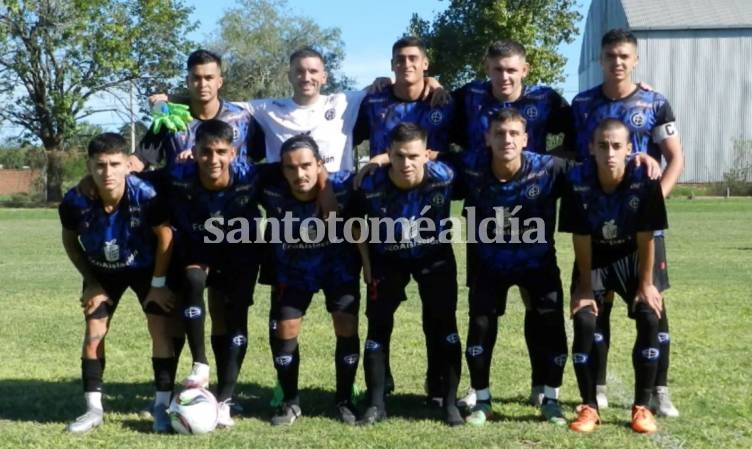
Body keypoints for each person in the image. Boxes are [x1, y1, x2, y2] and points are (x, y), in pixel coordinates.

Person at [452, 39, 575, 409]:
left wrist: (548, 160)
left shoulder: (545, 99)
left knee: (539, 308)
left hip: (532, 204)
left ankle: (542, 382)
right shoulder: (468, 96)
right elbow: (432, 114)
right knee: (484, 311)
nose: (504, 76)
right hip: (485, 211)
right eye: (496, 69)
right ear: (486, 69)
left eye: (511, 69)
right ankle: (478, 388)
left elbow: (580, 130)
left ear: (525, 69)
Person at [571, 28, 683, 417]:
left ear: (635, 59)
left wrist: (651, 206)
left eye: (624, 56)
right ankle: (597, 388)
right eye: (610, 56)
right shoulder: (582, 104)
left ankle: (658, 390)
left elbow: (675, 158)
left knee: (652, 304)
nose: (617, 62)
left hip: (643, 229)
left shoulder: (655, 102)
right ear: (600, 60)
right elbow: (574, 154)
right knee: (596, 308)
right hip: (597, 225)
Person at [354, 36, 457, 406]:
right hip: (383, 210)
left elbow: (461, 147)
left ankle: (437, 383)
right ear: (391, 63)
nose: (407, 64)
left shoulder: (443, 102)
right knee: (380, 315)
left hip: (426, 206)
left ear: (426, 64)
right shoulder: (375, 100)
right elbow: (343, 123)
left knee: (438, 314)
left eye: (414, 58)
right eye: (400, 59)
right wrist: (379, 161)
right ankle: (382, 386)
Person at [59, 133, 176, 433]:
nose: (107, 172)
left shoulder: (146, 195)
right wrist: (92, 283)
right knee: (93, 331)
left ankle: (161, 405)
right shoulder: (74, 201)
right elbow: (72, 244)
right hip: (101, 272)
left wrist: (159, 284)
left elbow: (165, 237)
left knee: (159, 328)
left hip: (145, 268)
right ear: (89, 165)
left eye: (114, 164)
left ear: (127, 165)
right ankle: (93, 410)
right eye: (100, 165)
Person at [352, 123, 463, 426]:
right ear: (388, 154)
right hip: (387, 259)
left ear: (426, 155)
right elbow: (357, 224)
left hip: (434, 257)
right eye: (398, 156)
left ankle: (448, 401)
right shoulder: (371, 184)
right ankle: (376, 403)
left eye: (413, 156)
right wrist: (366, 263)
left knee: (444, 324)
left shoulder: (446, 177)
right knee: (378, 326)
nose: (406, 163)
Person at [561, 119, 667, 433]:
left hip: (633, 255)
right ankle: (589, 407)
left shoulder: (644, 179)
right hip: (595, 255)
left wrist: (646, 285)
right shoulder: (577, 180)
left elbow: (647, 234)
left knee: (650, 316)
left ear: (629, 149)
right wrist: (583, 287)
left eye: (617, 146)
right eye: (603, 145)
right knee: (584, 320)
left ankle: (642, 407)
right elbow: (579, 237)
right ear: (591, 147)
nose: (610, 152)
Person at [161, 119, 265, 427]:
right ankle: (200, 364)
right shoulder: (179, 174)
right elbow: (138, 177)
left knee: (234, 319)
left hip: (241, 252)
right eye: (205, 152)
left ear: (233, 153)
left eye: (221, 152)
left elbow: (292, 170)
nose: (213, 159)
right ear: (193, 152)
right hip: (198, 250)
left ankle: (226, 401)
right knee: (193, 280)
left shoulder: (251, 175)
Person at [262, 135, 364, 426]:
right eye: (291, 168)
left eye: (307, 165)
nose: (299, 174)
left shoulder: (344, 186)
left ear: (320, 164)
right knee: (285, 329)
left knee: (346, 325)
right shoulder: (270, 187)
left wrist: (328, 185)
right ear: (282, 170)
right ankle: (290, 401)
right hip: (292, 270)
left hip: (337, 266)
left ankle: (345, 399)